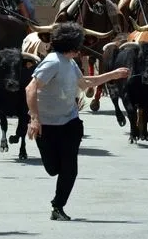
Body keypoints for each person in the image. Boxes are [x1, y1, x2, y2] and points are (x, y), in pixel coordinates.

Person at [25, 22, 129, 221]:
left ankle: (58, 206)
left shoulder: (70, 63)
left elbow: (85, 83)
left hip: (70, 123)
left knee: (70, 168)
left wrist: (113, 75)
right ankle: (58, 201)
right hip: (46, 125)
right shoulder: (52, 62)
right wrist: (34, 119)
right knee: (52, 168)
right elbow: (30, 89)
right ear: (72, 45)